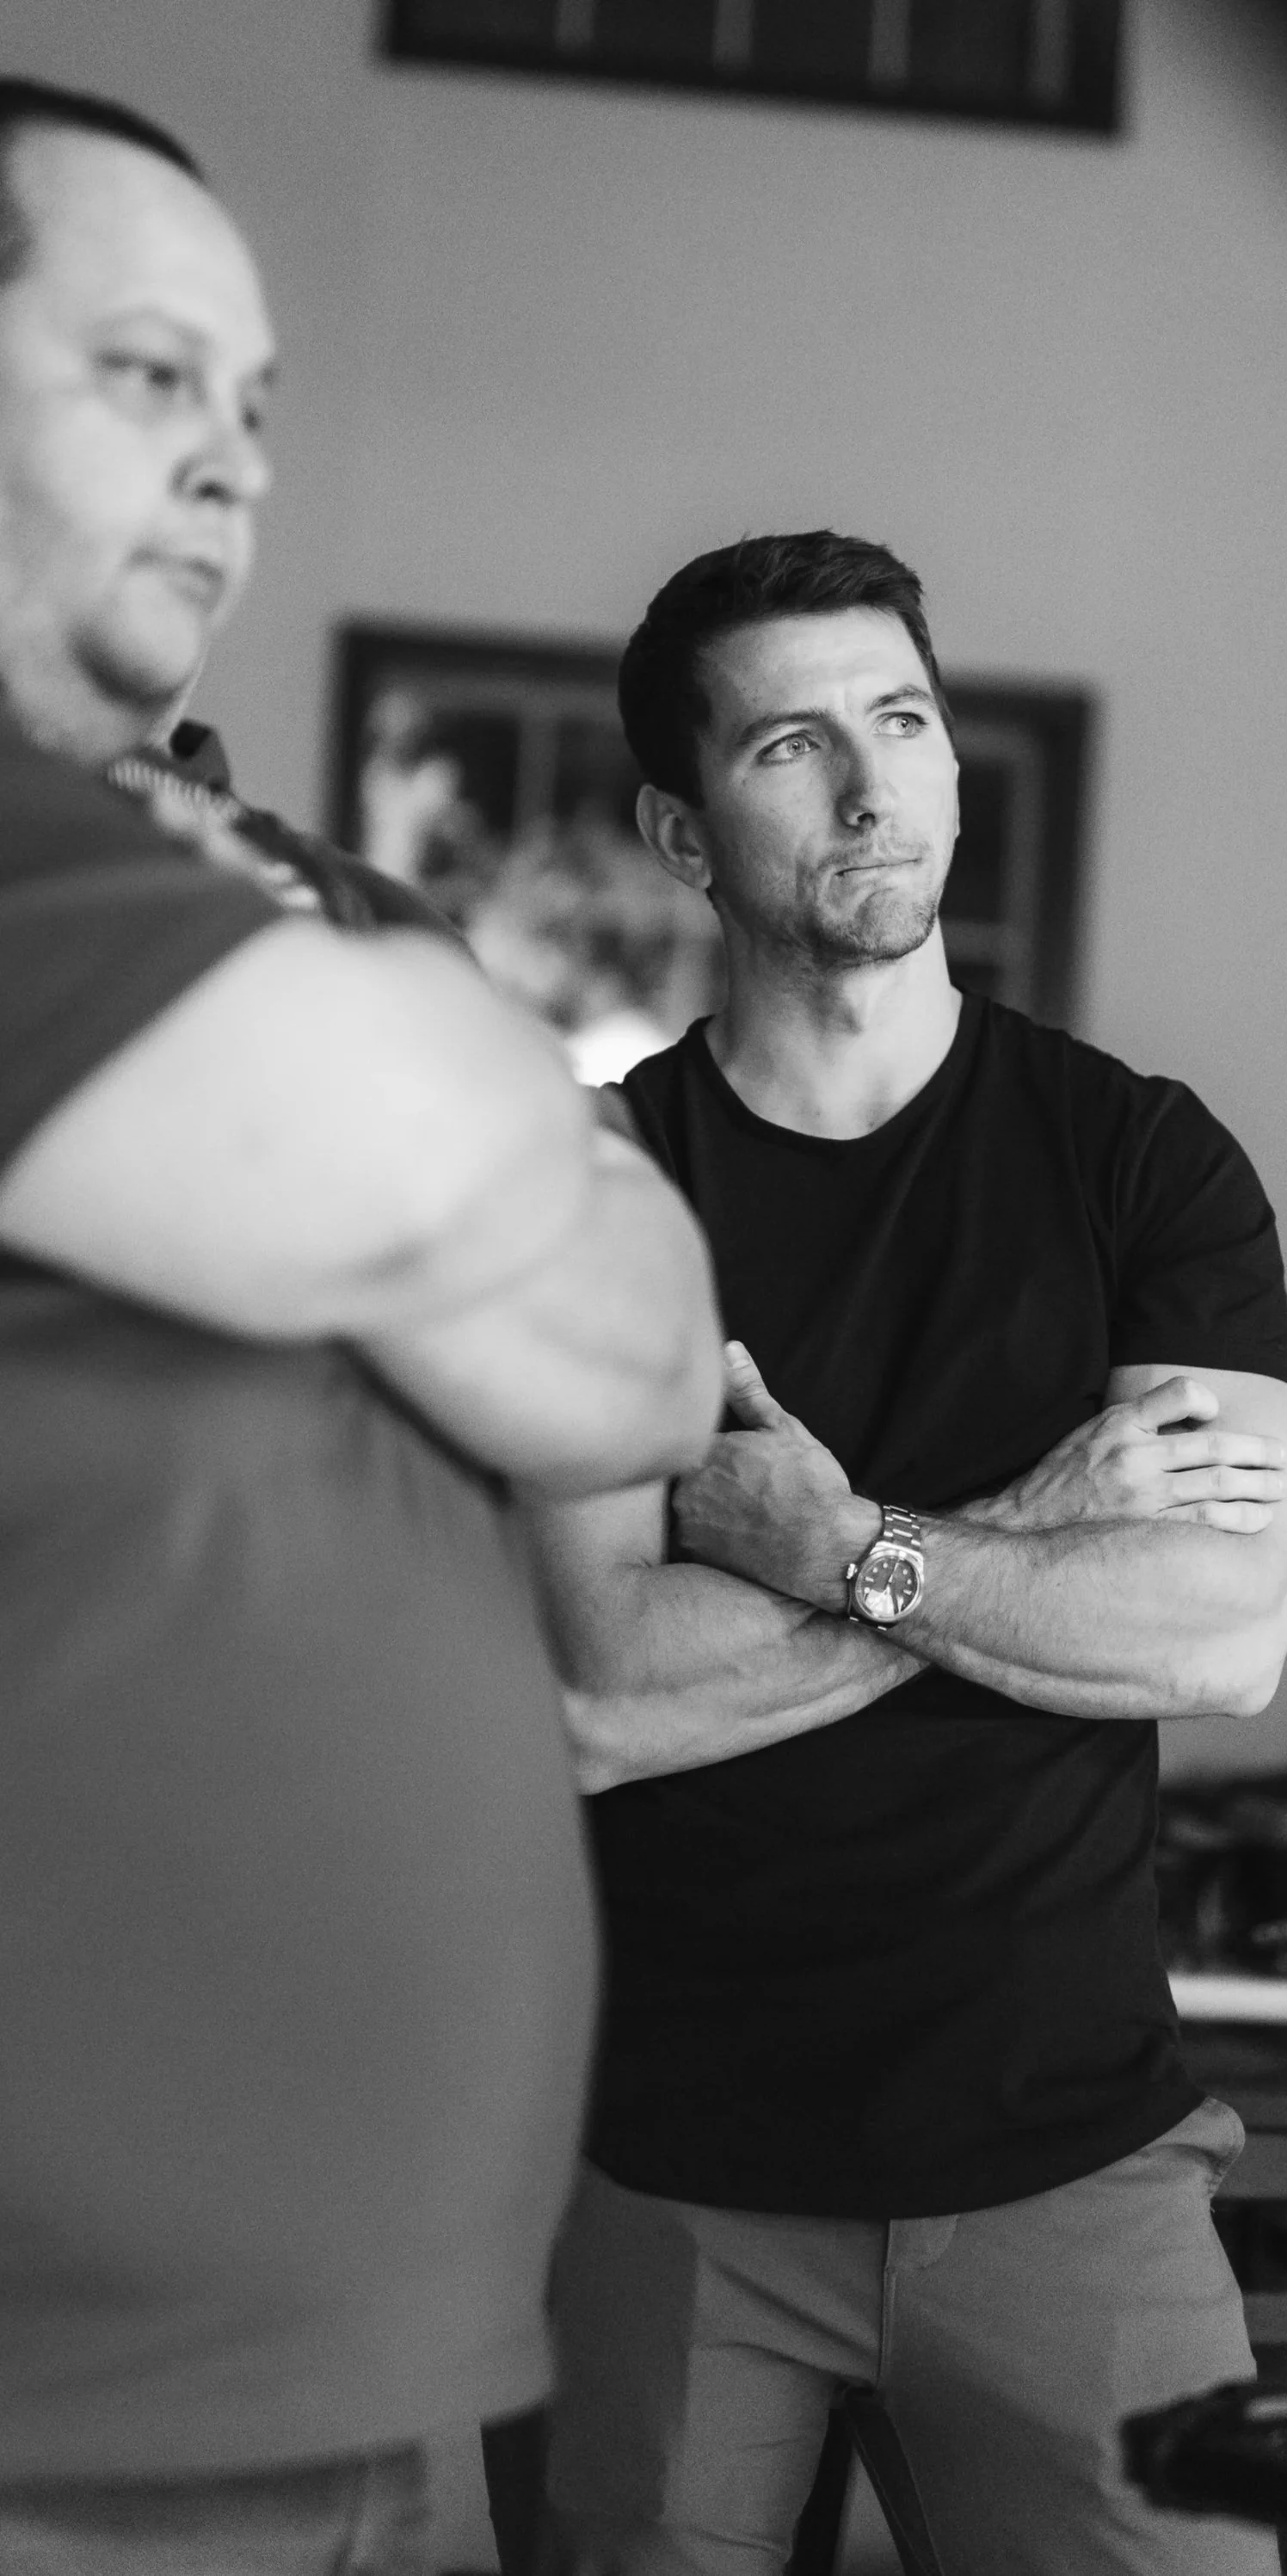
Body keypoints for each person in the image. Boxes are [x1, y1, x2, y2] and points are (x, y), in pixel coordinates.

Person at [0, 77, 723, 2576]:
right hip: (68, 2428)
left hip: (375, 2398)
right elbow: (477, 1190)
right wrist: (484, 1173)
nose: (231, 466)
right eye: (143, 373)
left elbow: (640, 1356)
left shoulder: (305, 908)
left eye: (257, 405)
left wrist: (476, 1164)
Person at [527, 529, 1287, 2573]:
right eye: (792, 744)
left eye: (901, 722)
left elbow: (1221, 1632)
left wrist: (836, 1545)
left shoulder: (1137, 1157)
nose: (874, 790)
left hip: (1064, 2148)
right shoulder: (597, 1192)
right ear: (679, 831)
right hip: (669, 2165)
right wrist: (1028, 1541)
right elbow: (597, 1691)